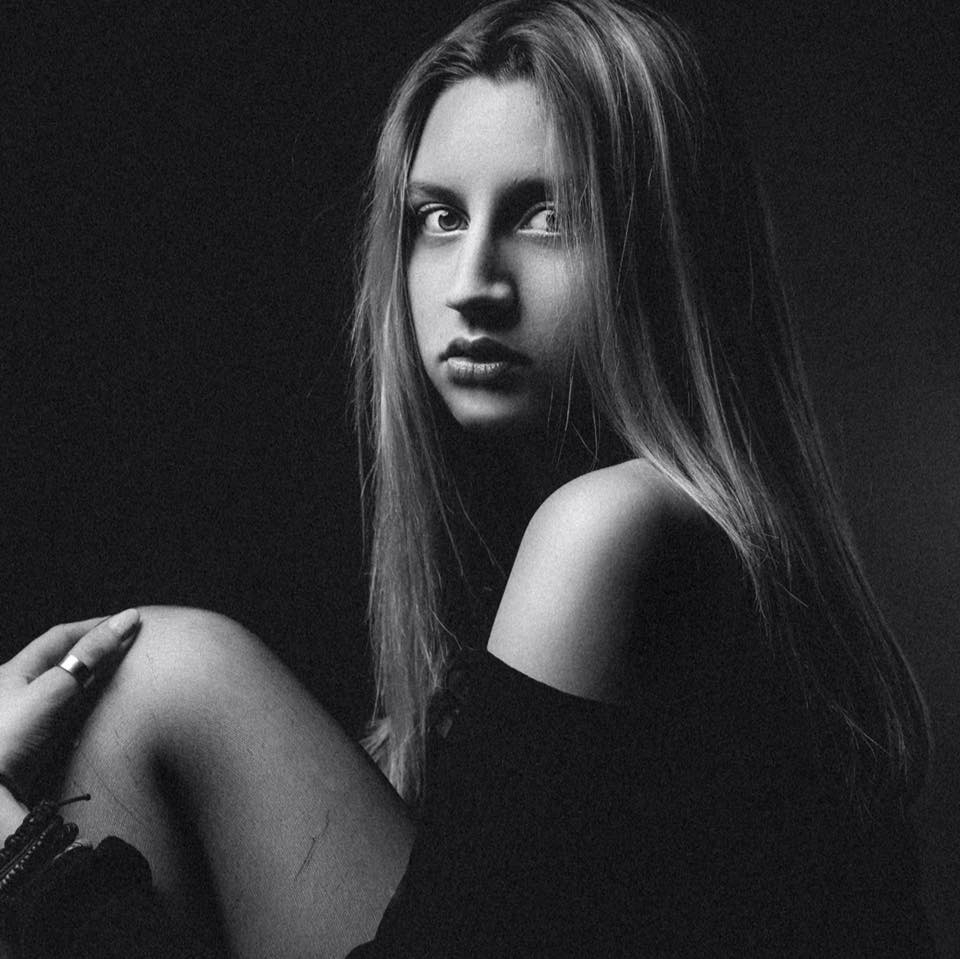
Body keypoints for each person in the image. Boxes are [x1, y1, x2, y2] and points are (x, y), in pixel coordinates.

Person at [0, 0, 934, 955]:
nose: (473, 283)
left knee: (161, 673)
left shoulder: (616, 526)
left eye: (548, 216)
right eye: (438, 218)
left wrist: (13, 848)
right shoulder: (629, 543)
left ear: (668, 249)